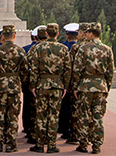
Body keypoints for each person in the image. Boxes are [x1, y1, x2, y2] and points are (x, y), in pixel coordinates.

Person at [70, 22, 114, 154]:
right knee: (97, 117)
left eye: (87, 32)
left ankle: (83, 144)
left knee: (83, 116)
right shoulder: (107, 49)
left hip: (85, 86)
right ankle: (97, 145)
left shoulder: (83, 49)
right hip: (100, 86)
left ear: (90, 33)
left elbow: (77, 69)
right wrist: (107, 87)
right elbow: (110, 72)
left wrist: (75, 87)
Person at [28, 23, 71, 153]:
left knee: (40, 115)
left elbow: (34, 68)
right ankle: (52, 145)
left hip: (42, 85)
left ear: (46, 34)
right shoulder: (63, 49)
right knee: (54, 115)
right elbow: (67, 69)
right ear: (57, 34)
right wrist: (65, 86)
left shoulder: (39, 48)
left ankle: (40, 144)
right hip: (57, 85)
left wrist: (33, 85)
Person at [0, 25, 28, 153]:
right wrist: (20, 82)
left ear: (3, 37)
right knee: (13, 115)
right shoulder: (20, 51)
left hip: (1, 85)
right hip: (15, 85)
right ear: (14, 36)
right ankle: (11, 143)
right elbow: (25, 70)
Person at [21, 26, 43, 145]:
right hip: (53, 85)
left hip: (34, 85)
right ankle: (49, 138)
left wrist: (27, 83)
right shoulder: (61, 48)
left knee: (32, 110)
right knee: (51, 112)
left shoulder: (31, 49)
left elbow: (26, 68)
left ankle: (32, 133)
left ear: (35, 36)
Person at [58, 23, 79, 142]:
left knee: (65, 107)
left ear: (67, 35)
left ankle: (65, 130)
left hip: (64, 82)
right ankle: (75, 132)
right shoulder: (81, 48)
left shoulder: (62, 47)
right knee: (75, 108)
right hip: (77, 82)